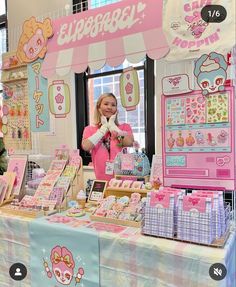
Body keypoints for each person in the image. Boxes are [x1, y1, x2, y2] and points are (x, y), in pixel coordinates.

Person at [82, 93, 134, 180]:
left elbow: (129, 142)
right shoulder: (90, 129)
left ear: (116, 110)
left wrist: (113, 127)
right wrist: (103, 129)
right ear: (99, 108)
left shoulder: (124, 127)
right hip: (102, 180)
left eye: (113, 105)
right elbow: (86, 146)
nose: (109, 107)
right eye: (106, 104)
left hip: (123, 179)